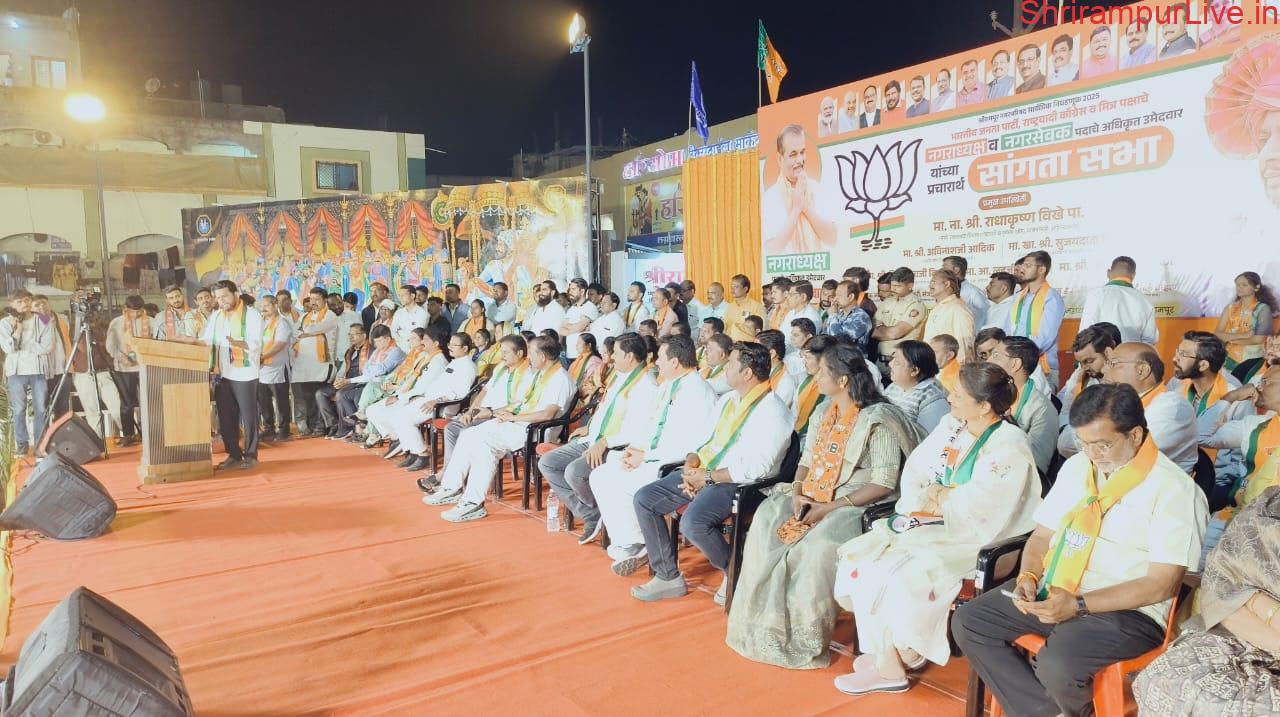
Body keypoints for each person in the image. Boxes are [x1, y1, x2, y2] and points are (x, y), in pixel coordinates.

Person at [954, 383, 1206, 717]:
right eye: (1084, 443)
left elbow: (1162, 585)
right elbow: (1041, 538)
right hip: (1059, 589)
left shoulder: (1175, 490)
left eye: (1102, 444)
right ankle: (1046, 712)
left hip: (1126, 611)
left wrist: (1079, 605)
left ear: (1135, 434)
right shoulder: (1077, 468)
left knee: (1058, 663)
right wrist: (1029, 576)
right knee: (970, 621)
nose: (1093, 454)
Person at [834, 362, 1041, 695]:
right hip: (932, 521)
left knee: (900, 574)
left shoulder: (1009, 443)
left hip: (978, 536)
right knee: (863, 559)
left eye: (958, 394)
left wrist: (941, 496)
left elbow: (986, 505)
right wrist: (931, 495)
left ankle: (893, 664)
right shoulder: (952, 425)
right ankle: (897, 652)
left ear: (984, 406)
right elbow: (917, 469)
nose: (950, 398)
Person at [726, 343, 926, 669]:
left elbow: (884, 482)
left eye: (822, 372)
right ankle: (763, 626)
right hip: (814, 492)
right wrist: (797, 491)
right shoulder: (822, 411)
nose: (815, 377)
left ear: (843, 380)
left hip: (857, 501)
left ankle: (804, 638)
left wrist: (831, 507)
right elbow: (806, 461)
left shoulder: (878, 419)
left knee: (816, 546)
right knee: (767, 519)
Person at [629, 342, 792, 603]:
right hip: (705, 472)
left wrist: (707, 478)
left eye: (731, 364)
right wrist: (692, 465)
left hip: (739, 484)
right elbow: (702, 441)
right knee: (644, 499)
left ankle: (736, 571)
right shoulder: (728, 400)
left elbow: (756, 468)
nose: (725, 368)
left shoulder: (773, 411)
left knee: (692, 523)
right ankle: (668, 576)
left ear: (747, 373)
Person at [1134, 486, 1280, 715]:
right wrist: (1259, 605)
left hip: (1260, 632)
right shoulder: (1268, 507)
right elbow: (1222, 582)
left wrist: (1258, 604)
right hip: (1239, 628)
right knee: (1166, 679)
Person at [424, 334, 573, 522]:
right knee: (469, 434)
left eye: (531, 352)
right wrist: (497, 413)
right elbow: (520, 402)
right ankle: (451, 487)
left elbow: (547, 414)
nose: (528, 356)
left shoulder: (560, 378)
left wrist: (513, 417)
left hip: (535, 430)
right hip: (518, 422)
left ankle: (473, 502)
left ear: (542, 356)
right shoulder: (540, 374)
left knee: (485, 443)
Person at [541, 332, 659, 542]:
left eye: (616, 353)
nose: (611, 357)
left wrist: (605, 442)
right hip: (594, 438)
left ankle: (600, 512)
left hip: (616, 446)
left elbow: (637, 429)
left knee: (575, 473)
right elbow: (605, 410)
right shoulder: (620, 376)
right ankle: (592, 513)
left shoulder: (646, 386)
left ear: (629, 356)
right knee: (548, 463)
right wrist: (590, 428)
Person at [416, 334, 530, 493]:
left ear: (519, 353)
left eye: (506, 352)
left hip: (498, 416)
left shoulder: (527, 374)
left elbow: (517, 404)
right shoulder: (501, 368)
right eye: (501, 351)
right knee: (451, 428)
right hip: (482, 412)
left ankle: (448, 478)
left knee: (466, 431)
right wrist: (471, 411)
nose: (502, 355)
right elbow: (484, 392)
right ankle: (450, 475)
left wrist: (489, 413)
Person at [1060, 343, 1199, 472]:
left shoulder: (1172, 408)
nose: (1103, 369)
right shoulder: (1116, 402)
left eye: (1113, 363)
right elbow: (1065, 443)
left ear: (1142, 370)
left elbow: (1125, 455)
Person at [1198, 364, 1280, 565]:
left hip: (1271, 532)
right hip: (1234, 516)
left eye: (1265, 382)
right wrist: (1230, 397)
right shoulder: (1255, 425)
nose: (1258, 387)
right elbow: (1201, 436)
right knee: (1197, 573)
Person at [1171, 331, 1251, 511]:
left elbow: (1241, 456)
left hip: (1218, 481)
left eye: (1183, 354)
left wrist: (1225, 485)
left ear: (1203, 365)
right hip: (1179, 474)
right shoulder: (1177, 387)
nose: (1175, 358)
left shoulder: (1236, 399)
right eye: (1177, 351)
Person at [390, 332, 480, 472]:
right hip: (430, 400)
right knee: (397, 414)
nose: (450, 347)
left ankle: (422, 454)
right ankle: (414, 452)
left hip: (443, 406)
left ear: (465, 348)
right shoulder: (455, 362)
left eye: (454, 345)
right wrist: (423, 396)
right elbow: (439, 384)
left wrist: (436, 401)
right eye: (449, 344)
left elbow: (460, 393)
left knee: (404, 419)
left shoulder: (468, 366)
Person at [201, 280, 264, 470]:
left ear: (236, 294)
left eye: (225, 296)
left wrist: (239, 343)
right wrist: (188, 341)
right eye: (218, 298)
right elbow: (207, 340)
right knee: (226, 417)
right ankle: (234, 455)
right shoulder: (216, 316)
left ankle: (251, 455)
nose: (222, 301)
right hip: (222, 373)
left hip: (244, 372)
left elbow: (256, 343)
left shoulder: (252, 315)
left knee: (248, 416)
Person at [364, 326, 449, 448]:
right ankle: (396, 437)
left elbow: (422, 388)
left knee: (392, 415)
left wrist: (400, 397)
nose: (422, 342)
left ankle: (409, 444)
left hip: (419, 398)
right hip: (407, 394)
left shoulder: (438, 362)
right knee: (371, 410)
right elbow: (410, 379)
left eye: (425, 339)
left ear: (436, 343)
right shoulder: (425, 356)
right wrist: (397, 393)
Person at [990, 336, 1060, 474]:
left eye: (996, 355)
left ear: (1015, 364)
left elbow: (1035, 465)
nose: (988, 361)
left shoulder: (1042, 409)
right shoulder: (990, 395)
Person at [763, 124, 837, 254]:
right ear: (779, 159)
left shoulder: (817, 188)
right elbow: (773, 249)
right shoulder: (770, 197)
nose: (800, 159)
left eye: (802, 152)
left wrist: (806, 208)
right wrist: (796, 210)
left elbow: (832, 239)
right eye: (793, 155)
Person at [326, 324, 402, 439]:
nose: (377, 345)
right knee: (344, 395)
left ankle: (364, 425)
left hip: (388, 386)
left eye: (380, 341)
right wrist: (373, 369)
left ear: (387, 339)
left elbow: (382, 369)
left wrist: (373, 369)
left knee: (359, 394)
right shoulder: (378, 351)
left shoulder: (396, 351)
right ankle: (358, 426)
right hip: (373, 384)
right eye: (376, 342)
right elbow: (366, 369)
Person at [0, 290, 52, 454]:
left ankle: (40, 444)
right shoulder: (5, 323)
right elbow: (8, 348)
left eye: (27, 300)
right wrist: (18, 329)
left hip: (37, 369)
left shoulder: (43, 319)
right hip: (16, 371)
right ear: (11, 304)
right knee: (19, 409)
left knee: (41, 408)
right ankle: (22, 445)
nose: (24, 304)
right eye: (19, 301)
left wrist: (24, 347)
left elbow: (47, 346)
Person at [1005, 251, 1066, 388]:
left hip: (1041, 368)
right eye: (1023, 265)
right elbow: (1009, 330)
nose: (1023, 269)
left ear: (1041, 270)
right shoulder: (1018, 297)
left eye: (1028, 265)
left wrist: (1021, 356)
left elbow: (1047, 337)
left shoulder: (1051, 298)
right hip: (1015, 365)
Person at [68, 308, 122, 439]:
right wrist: (87, 328)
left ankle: (128, 434)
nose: (92, 316)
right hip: (84, 374)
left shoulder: (104, 327)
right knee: (92, 411)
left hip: (104, 371)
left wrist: (97, 331)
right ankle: (97, 440)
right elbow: (84, 347)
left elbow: (110, 346)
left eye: (93, 313)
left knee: (117, 406)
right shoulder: (76, 328)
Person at [291, 287, 338, 437]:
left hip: (321, 364)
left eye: (317, 299)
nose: (313, 302)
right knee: (308, 396)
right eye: (311, 299)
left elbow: (318, 328)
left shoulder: (330, 315)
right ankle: (311, 426)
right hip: (304, 365)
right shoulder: (305, 316)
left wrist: (305, 332)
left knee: (318, 395)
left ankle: (320, 427)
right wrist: (303, 332)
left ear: (325, 300)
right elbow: (295, 332)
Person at [1079, 256, 1158, 344]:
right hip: (1132, 352)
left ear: (1108, 272)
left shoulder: (1096, 294)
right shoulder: (1145, 301)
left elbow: (1085, 333)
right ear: (1133, 275)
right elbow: (1149, 340)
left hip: (1103, 351)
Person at [1057, 323, 1120, 427]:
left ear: (1107, 353)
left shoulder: (1125, 377)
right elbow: (1066, 412)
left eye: (1089, 361)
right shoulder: (1079, 376)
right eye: (1080, 363)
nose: (1084, 367)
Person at [317, 324, 374, 439]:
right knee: (320, 393)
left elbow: (369, 374)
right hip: (346, 380)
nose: (351, 337)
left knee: (340, 394)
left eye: (354, 334)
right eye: (349, 334)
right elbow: (344, 368)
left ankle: (346, 428)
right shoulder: (350, 351)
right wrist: (338, 379)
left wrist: (346, 381)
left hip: (359, 382)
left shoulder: (371, 351)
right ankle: (334, 424)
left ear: (364, 335)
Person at [106, 295, 148, 448]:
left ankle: (147, 433)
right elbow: (110, 345)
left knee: (148, 401)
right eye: (132, 311)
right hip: (124, 368)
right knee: (126, 403)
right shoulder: (116, 322)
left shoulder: (149, 321)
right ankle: (128, 434)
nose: (136, 314)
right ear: (125, 309)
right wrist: (121, 357)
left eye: (139, 311)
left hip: (145, 366)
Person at [1214, 271, 1276, 373]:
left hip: (1253, 361)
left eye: (1244, 285)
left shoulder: (1263, 309)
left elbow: (1258, 339)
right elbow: (1217, 334)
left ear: (1256, 287)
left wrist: (1230, 340)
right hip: (1230, 359)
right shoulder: (1230, 308)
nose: (1239, 288)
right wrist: (1244, 335)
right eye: (1237, 285)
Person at [883, 340, 950, 433]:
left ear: (914, 370)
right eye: (892, 359)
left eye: (897, 362)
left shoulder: (931, 399)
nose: (890, 364)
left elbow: (929, 436)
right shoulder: (894, 386)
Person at [256, 295, 294, 443]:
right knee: (264, 401)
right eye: (261, 306)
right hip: (262, 369)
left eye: (266, 306)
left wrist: (262, 357)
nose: (263, 309)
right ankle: (268, 429)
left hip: (277, 369)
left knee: (281, 401)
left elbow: (279, 345)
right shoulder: (262, 323)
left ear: (275, 305)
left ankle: (284, 430)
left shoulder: (282, 322)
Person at [872, 267, 928, 367]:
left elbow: (895, 333)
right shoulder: (888, 301)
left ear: (910, 286)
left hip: (903, 363)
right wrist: (889, 331)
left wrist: (881, 328)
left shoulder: (916, 305)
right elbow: (872, 330)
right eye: (892, 285)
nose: (893, 289)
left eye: (897, 286)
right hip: (880, 361)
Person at [923, 269, 975, 362]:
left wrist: (960, 368)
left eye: (934, 282)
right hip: (933, 364)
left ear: (947, 284)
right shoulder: (939, 306)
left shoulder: (958, 308)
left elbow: (964, 344)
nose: (930, 285)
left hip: (950, 367)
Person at [824, 279, 873, 351]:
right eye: (835, 295)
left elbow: (840, 339)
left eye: (839, 295)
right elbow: (825, 337)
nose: (835, 299)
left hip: (852, 357)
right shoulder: (838, 315)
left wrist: (832, 315)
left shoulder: (861, 317)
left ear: (851, 297)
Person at [942, 256, 989, 328]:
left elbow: (986, 317)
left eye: (945, 266)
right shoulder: (945, 291)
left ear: (956, 270)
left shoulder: (974, 292)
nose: (942, 270)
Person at [757, 329, 797, 413]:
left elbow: (772, 413)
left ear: (772, 354)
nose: (752, 353)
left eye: (757, 350)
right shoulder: (760, 371)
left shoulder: (786, 383)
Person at [560, 278, 600, 359]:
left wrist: (569, 326)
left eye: (573, 289)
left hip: (584, 355)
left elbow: (578, 327)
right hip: (570, 354)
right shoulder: (571, 309)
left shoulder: (590, 307)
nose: (570, 292)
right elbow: (561, 330)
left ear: (582, 291)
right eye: (570, 289)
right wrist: (578, 328)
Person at [722, 275, 766, 342]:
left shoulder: (756, 306)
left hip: (748, 345)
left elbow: (762, 331)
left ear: (745, 289)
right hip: (730, 344)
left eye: (736, 287)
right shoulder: (730, 307)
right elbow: (725, 327)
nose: (732, 290)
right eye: (732, 287)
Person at [781, 281, 823, 349]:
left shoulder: (812, 317)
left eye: (791, 294)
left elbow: (806, 345)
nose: (788, 298)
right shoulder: (791, 312)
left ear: (803, 297)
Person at [389, 284, 427, 352]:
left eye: (403, 295)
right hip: (398, 348)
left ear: (412, 296)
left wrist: (400, 332)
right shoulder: (398, 313)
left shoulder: (422, 313)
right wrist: (403, 336)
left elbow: (417, 336)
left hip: (415, 350)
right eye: (399, 296)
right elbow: (393, 332)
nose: (400, 298)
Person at [700, 332, 734, 397]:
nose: (705, 352)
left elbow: (704, 385)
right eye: (706, 348)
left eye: (709, 349)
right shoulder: (709, 368)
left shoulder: (730, 372)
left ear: (722, 355)